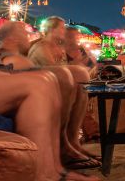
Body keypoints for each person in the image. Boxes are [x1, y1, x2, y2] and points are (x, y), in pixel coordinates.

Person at [24, 17, 99, 169]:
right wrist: (77, 66)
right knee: (78, 76)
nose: (64, 31)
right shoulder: (42, 46)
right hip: (42, 87)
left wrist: (79, 64)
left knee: (81, 80)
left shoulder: (57, 47)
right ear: (52, 29)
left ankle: (73, 142)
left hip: (54, 85)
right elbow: (56, 73)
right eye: (61, 28)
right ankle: (64, 143)